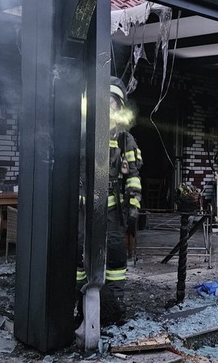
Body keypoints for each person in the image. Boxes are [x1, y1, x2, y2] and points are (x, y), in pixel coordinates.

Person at [76, 76, 143, 326]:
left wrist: (134, 209)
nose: (108, 106)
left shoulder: (125, 139)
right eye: (105, 101)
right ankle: (79, 304)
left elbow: (134, 177)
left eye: (113, 102)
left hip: (113, 211)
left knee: (115, 257)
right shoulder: (82, 133)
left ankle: (115, 305)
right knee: (79, 255)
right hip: (83, 209)